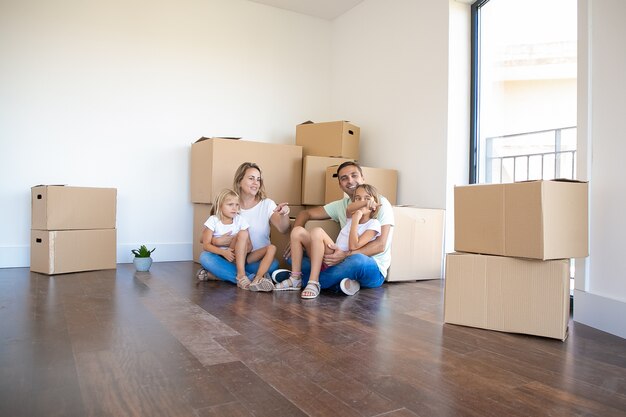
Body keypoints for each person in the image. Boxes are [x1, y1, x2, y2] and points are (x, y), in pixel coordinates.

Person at [277, 161, 394, 296]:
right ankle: (339, 283)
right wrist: (294, 243)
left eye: (354, 175)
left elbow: (380, 246)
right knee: (293, 257)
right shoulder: (344, 206)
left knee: (357, 260)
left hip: (370, 265)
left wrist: (344, 256)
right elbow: (305, 213)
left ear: (363, 178)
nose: (350, 181)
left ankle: (304, 279)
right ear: (340, 184)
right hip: (338, 258)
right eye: (344, 178)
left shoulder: (380, 203)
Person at [198, 162, 291, 290]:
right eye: (251, 178)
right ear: (239, 180)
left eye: (258, 179)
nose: (256, 183)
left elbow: (284, 228)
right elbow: (204, 239)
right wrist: (216, 240)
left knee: (273, 264)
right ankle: (255, 279)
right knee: (205, 257)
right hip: (230, 258)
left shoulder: (267, 204)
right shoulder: (229, 204)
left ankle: (219, 275)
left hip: (254, 260)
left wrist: (284, 213)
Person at [201, 188, 276, 292]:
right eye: (230, 204)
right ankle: (242, 276)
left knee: (272, 250)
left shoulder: (240, 220)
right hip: (224, 258)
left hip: (241, 258)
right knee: (205, 257)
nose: (234, 208)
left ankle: (257, 279)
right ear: (220, 205)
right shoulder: (213, 220)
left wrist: (240, 245)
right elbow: (206, 245)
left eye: (237, 205)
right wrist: (224, 251)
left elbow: (250, 246)